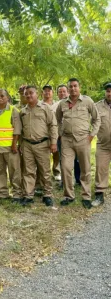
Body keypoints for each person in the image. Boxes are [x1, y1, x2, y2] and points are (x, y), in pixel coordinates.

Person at [56, 79, 100, 208]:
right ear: (68, 89)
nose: (73, 88)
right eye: (71, 86)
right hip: (67, 141)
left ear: (79, 87)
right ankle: (68, 196)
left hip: (83, 139)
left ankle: (86, 196)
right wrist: (60, 132)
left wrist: (92, 135)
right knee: (65, 167)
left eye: (75, 86)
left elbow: (97, 119)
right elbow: (58, 119)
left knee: (85, 169)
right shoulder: (63, 103)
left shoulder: (87, 101)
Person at [19, 86, 58, 207]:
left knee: (44, 171)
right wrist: (20, 144)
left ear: (37, 94)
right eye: (26, 94)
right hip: (27, 145)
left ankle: (47, 195)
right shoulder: (23, 111)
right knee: (28, 171)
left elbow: (53, 125)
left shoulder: (45, 108)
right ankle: (28, 195)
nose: (29, 96)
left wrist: (53, 142)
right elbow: (20, 130)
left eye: (31, 93)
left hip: (42, 144)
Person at [0, 89, 22, 201]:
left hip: (9, 147)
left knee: (14, 171)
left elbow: (17, 129)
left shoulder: (13, 110)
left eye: (2, 96)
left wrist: (14, 145)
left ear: (8, 97)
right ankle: (3, 194)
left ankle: (17, 194)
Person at [56, 84, 81, 186]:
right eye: (60, 92)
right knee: (64, 159)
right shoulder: (56, 105)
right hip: (62, 136)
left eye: (64, 91)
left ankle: (78, 179)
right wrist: (59, 133)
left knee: (78, 160)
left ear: (68, 92)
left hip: (77, 136)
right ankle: (65, 181)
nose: (62, 93)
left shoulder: (76, 102)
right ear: (57, 94)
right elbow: (56, 120)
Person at [93, 83, 111, 207]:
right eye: (108, 91)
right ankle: (99, 194)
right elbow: (90, 122)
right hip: (103, 145)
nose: (110, 93)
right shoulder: (97, 106)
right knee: (100, 168)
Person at [41, 85, 62, 182]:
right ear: (42, 93)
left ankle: (57, 171)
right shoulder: (39, 104)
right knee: (43, 155)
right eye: (45, 91)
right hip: (42, 133)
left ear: (52, 93)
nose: (47, 92)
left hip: (55, 132)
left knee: (56, 153)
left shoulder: (57, 104)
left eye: (49, 91)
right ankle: (44, 173)